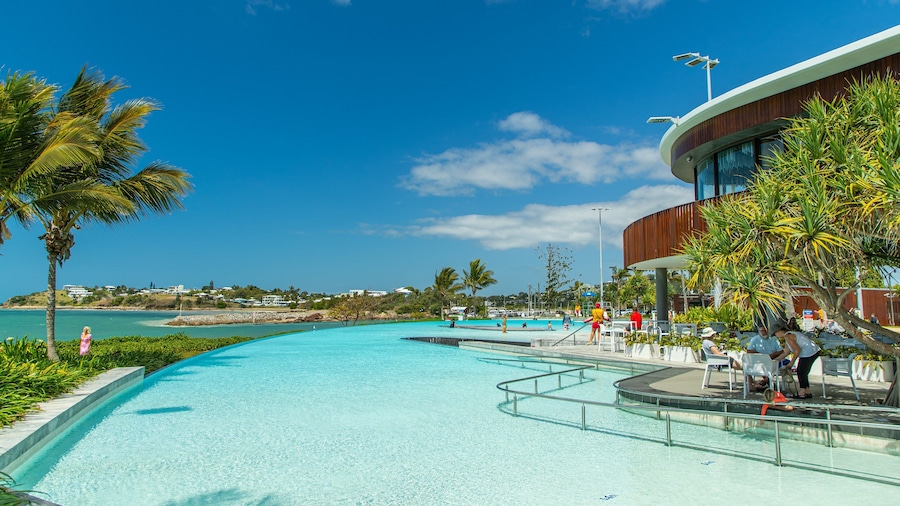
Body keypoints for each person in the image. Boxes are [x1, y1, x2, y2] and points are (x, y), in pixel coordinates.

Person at [770, 320, 821, 399]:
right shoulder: (788, 336)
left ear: (779, 331)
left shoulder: (788, 336)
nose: (775, 336)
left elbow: (797, 350)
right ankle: (807, 391)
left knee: (801, 372)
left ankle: (802, 392)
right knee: (803, 372)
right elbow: (786, 352)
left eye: (775, 334)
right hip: (812, 351)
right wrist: (774, 361)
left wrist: (791, 363)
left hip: (809, 352)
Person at [745, 324, 789, 389]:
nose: (764, 332)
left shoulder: (773, 338)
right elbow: (749, 351)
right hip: (760, 361)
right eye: (762, 331)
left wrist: (772, 355)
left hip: (773, 359)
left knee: (783, 363)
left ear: (768, 330)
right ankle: (767, 382)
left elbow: (781, 351)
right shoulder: (755, 339)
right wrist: (763, 356)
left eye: (765, 330)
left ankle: (765, 381)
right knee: (763, 364)